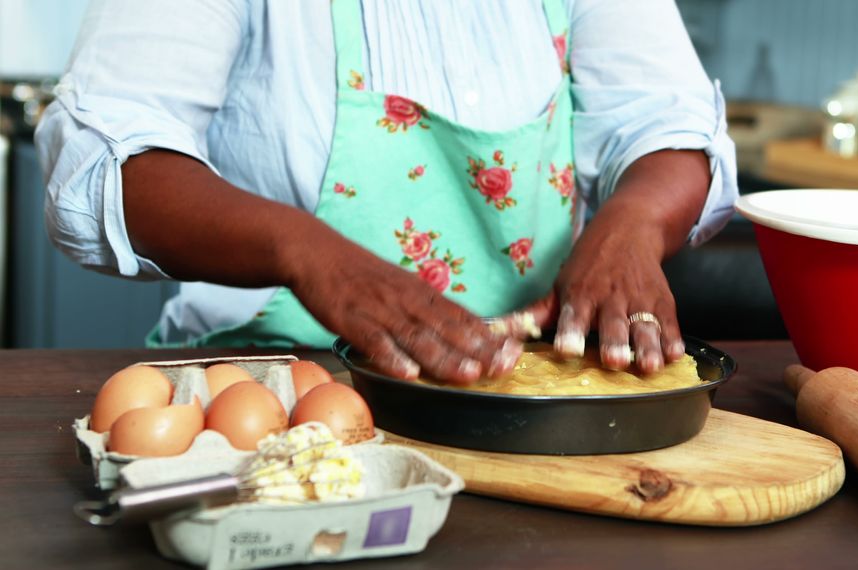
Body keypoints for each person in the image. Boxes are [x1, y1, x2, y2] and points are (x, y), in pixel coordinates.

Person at [36, 0, 738, 384]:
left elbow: (665, 124)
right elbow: (108, 159)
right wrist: (306, 251)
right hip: (282, 389)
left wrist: (635, 224)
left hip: (521, 396)